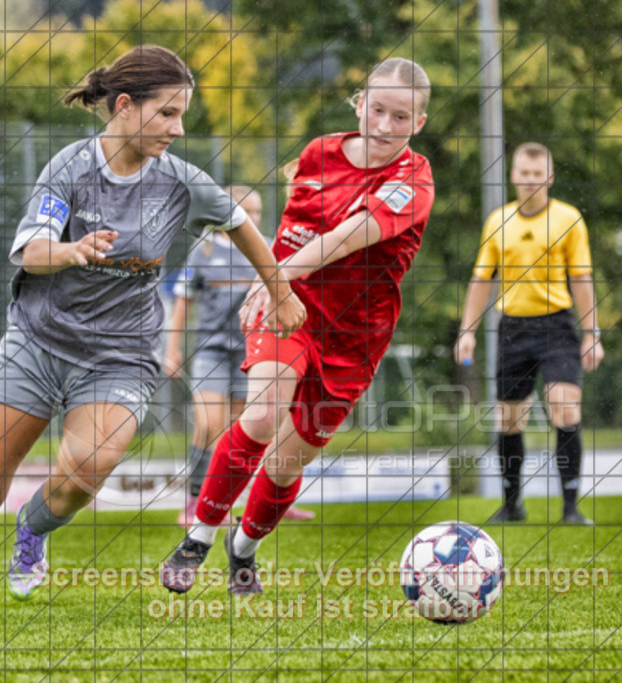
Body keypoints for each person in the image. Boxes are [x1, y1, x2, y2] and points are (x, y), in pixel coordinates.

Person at [0, 45, 305, 622]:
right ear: (125, 106)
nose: (178, 127)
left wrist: (280, 290)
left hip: (120, 355)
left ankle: (33, 528)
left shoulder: (181, 182)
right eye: (167, 113)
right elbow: (30, 250)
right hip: (38, 342)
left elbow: (242, 224)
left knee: (88, 470)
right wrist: (73, 251)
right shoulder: (70, 168)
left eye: (182, 114)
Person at [161, 57, 435, 595]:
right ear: (359, 103)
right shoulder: (317, 154)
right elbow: (294, 231)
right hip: (291, 309)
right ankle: (196, 537)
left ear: (418, 123)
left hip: (356, 338)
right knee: (261, 416)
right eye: (376, 109)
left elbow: (352, 236)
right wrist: (276, 286)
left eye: (400, 117)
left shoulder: (414, 180)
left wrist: (274, 274)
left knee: (288, 460)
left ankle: (244, 549)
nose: (383, 125)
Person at [454, 142, 603, 525]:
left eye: (538, 175)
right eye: (524, 174)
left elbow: (581, 278)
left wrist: (592, 333)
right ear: (513, 176)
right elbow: (480, 281)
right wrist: (467, 331)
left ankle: (571, 507)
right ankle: (511, 505)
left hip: (557, 325)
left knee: (564, 406)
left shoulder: (569, 219)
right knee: (509, 419)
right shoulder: (497, 221)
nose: (531, 181)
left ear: (549, 178)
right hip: (513, 328)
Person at [164, 185, 315, 527]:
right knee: (207, 424)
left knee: (250, 431)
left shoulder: (268, 249)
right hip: (210, 351)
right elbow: (181, 305)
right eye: (245, 211)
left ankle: (269, 500)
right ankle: (193, 503)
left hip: (253, 352)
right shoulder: (201, 251)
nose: (253, 218)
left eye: (258, 212)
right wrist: (171, 349)